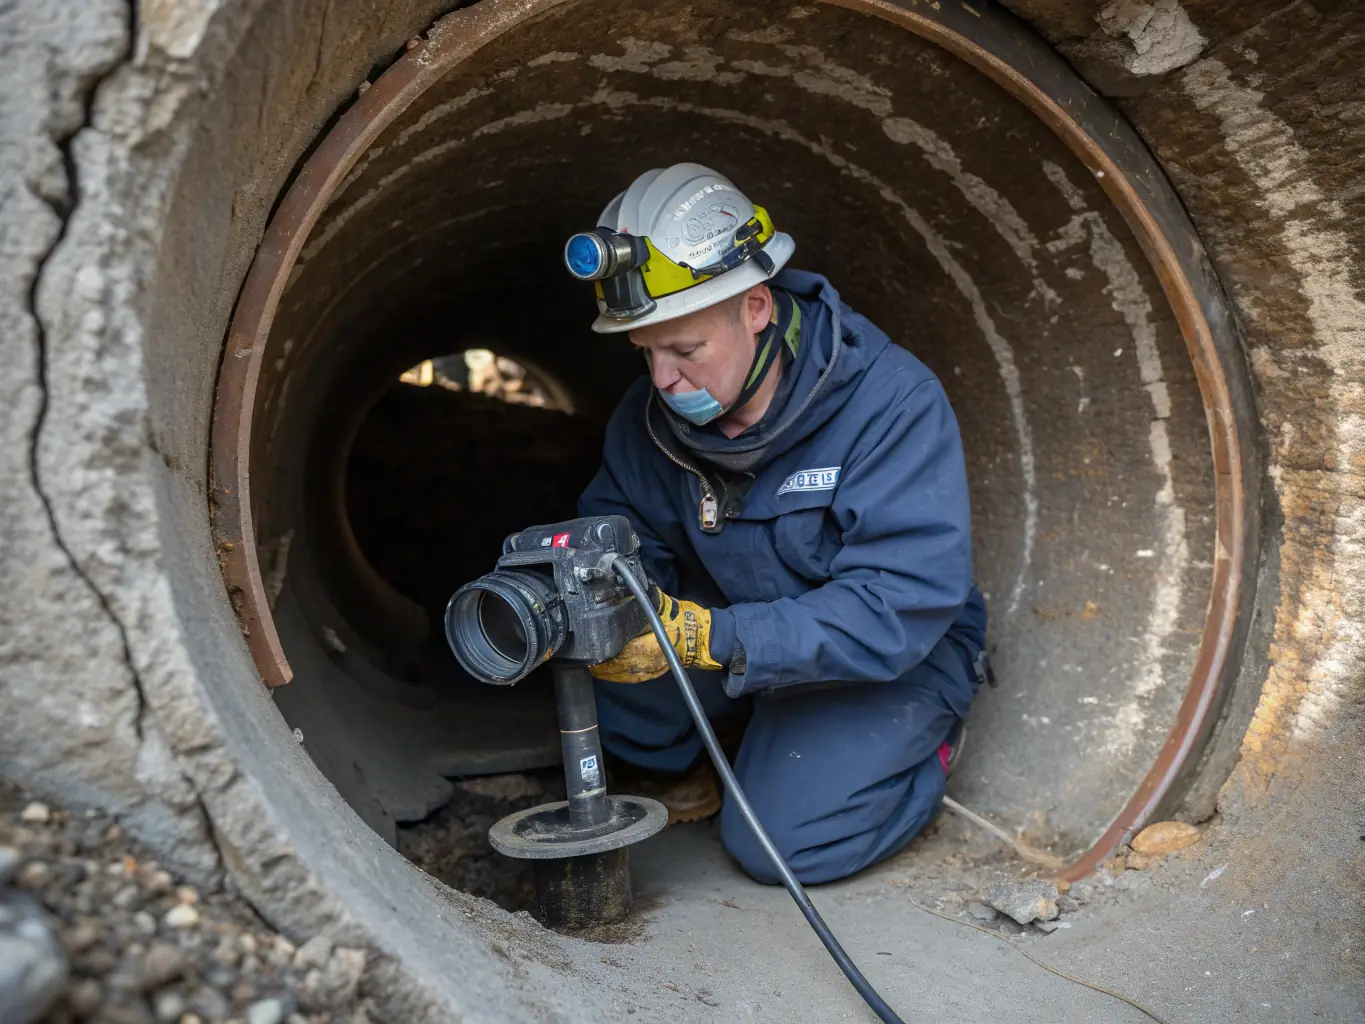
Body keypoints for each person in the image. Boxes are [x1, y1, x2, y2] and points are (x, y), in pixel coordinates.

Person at [569, 163, 988, 885]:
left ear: (755, 306)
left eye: (685, 350)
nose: (663, 379)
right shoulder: (649, 421)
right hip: (741, 627)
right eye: (646, 352)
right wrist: (599, 602)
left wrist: (721, 639)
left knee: (778, 848)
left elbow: (900, 600)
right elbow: (623, 531)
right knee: (607, 683)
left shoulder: (890, 404)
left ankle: (921, 751)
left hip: (886, 651)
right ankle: (717, 746)